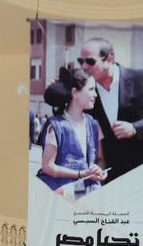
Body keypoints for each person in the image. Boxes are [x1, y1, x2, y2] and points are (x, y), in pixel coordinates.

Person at [78, 37, 143, 182]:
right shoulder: (86, 88)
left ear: (109, 59)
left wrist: (135, 128)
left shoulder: (142, 78)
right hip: (111, 174)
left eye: (90, 61)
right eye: (81, 61)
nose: (84, 66)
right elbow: (55, 96)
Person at [36, 65, 108, 195]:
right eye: (91, 89)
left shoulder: (93, 124)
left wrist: (99, 170)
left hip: (89, 192)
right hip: (62, 192)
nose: (95, 94)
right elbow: (48, 166)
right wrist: (80, 174)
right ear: (74, 92)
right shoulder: (57, 126)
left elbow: (100, 159)